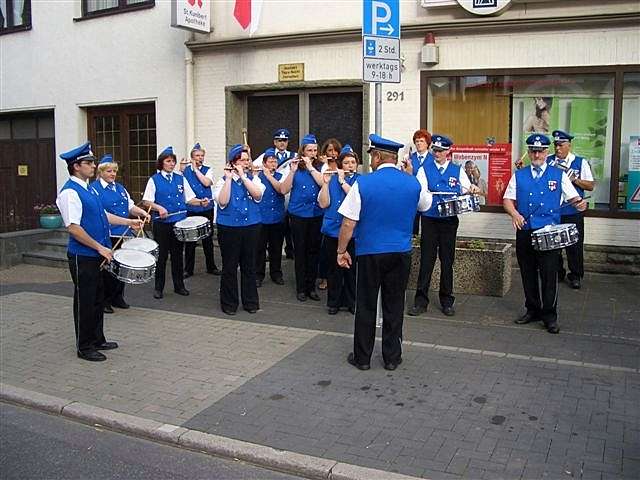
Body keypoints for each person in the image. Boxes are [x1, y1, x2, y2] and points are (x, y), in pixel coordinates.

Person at [337, 134, 432, 371]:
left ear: (378, 157)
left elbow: (348, 222)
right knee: (394, 304)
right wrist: (410, 177)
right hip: (400, 251)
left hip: (369, 252)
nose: (369, 162)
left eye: (371, 157)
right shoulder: (412, 183)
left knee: (367, 304)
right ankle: (391, 357)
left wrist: (341, 251)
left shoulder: (364, 183)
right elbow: (425, 206)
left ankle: (362, 358)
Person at [56, 142, 143, 362]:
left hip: (96, 255)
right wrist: (99, 247)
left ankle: (97, 339)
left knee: (97, 298)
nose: (93, 166)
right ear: (76, 166)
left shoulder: (88, 188)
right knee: (85, 301)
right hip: (83, 255)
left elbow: (103, 215)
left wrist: (129, 221)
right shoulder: (70, 193)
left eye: (93, 162)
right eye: (89, 162)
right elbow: (73, 228)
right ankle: (84, 347)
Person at [503, 134, 587, 334]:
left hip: (548, 233)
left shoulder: (558, 175)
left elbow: (574, 197)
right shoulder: (520, 175)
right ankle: (532, 310)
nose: (537, 154)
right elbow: (507, 199)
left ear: (547, 152)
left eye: (540, 151)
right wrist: (514, 214)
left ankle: (549, 316)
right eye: (533, 150)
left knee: (549, 275)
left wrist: (580, 203)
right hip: (525, 231)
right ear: (529, 152)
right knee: (527, 273)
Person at [407, 135, 480, 317]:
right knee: (427, 260)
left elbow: (466, 189)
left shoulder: (457, 170)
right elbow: (421, 192)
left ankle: (447, 300)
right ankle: (420, 301)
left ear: (449, 152)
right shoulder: (424, 169)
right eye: (435, 151)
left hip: (449, 221)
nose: (437, 154)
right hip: (430, 219)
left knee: (448, 261)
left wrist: (472, 189)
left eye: (441, 151)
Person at [143, 146, 206, 300]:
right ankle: (159, 288)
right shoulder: (154, 180)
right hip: (162, 223)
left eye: (173, 161)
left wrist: (200, 202)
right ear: (161, 163)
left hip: (179, 223)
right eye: (168, 161)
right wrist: (159, 208)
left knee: (178, 255)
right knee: (162, 256)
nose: (171, 164)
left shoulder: (180, 178)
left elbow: (189, 198)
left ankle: (179, 286)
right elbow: (146, 201)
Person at [90, 154, 150, 314]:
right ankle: (104, 301)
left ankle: (118, 297)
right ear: (101, 172)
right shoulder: (94, 189)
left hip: (124, 232)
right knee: (107, 269)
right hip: (107, 234)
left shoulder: (120, 188)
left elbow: (130, 206)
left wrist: (143, 212)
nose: (112, 174)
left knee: (122, 266)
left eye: (114, 171)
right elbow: (99, 213)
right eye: (109, 171)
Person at [214, 144, 265, 315]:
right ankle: (229, 303)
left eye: (247, 160)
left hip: (251, 226)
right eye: (242, 160)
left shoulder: (254, 179)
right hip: (229, 228)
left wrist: (244, 177)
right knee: (229, 266)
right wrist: (229, 178)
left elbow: (257, 195)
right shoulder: (222, 181)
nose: (246, 163)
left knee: (249, 265)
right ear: (233, 162)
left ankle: (250, 302)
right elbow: (222, 202)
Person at [280, 133, 325, 302]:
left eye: (314, 150)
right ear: (302, 152)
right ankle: (300, 288)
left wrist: (312, 167)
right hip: (298, 214)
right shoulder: (293, 167)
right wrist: (292, 172)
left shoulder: (321, 166)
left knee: (314, 251)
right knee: (300, 251)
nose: (312, 153)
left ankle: (311, 286)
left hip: (316, 213)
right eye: (309, 150)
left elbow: (323, 183)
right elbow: (283, 190)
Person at [547, 130, 595, 289]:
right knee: (554, 245)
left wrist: (574, 179)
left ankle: (575, 275)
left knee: (574, 245)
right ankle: (557, 272)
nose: (557, 148)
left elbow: (590, 185)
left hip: (572, 211)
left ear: (569, 145)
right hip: (553, 211)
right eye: (555, 145)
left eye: (561, 145)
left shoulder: (580, 162)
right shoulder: (548, 161)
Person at [318, 144, 359, 315]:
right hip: (332, 230)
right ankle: (333, 302)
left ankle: (351, 302)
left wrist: (342, 182)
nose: (350, 165)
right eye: (347, 162)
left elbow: (355, 199)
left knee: (351, 270)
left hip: (351, 233)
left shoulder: (359, 180)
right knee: (333, 270)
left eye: (353, 162)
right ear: (341, 164)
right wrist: (326, 184)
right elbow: (323, 203)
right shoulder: (331, 178)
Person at [254, 128, 296, 259]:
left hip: (287, 192)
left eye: (284, 140)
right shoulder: (265, 155)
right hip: (269, 194)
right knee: (265, 239)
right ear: (275, 142)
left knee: (287, 227)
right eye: (279, 140)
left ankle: (290, 250)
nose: (282, 143)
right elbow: (253, 167)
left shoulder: (293, 156)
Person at [182, 142, 221, 278]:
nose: (200, 158)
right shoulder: (185, 170)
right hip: (191, 208)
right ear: (192, 157)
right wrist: (186, 167)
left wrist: (196, 169)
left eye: (202, 156)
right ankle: (188, 269)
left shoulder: (208, 169)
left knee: (207, 238)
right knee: (190, 240)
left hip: (206, 208)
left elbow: (206, 182)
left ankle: (211, 266)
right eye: (197, 156)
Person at [256, 147, 286, 287]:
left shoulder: (281, 177)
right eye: (270, 161)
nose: (273, 164)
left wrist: (270, 176)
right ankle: (258, 274)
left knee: (276, 247)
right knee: (260, 248)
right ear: (264, 163)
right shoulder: (257, 178)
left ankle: (276, 273)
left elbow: (282, 190)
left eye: (275, 161)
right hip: (261, 218)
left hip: (277, 218)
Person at [317, 138, 342, 290]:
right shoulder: (322, 166)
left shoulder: (342, 166)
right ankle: (325, 277)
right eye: (330, 150)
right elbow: (321, 182)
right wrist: (325, 165)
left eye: (335, 151)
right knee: (325, 248)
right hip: (324, 208)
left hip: (338, 209)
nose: (333, 153)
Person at [406, 129, 433, 234]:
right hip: (412, 195)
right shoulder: (409, 158)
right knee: (412, 224)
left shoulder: (433, 159)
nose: (418, 144)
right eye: (417, 141)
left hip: (427, 195)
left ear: (427, 143)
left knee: (428, 226)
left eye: (421, 141)